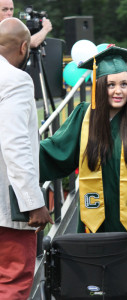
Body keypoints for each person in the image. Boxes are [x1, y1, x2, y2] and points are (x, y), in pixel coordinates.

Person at [39, 46, 127, 300]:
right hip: (94, 222)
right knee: (96, 286)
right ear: (100, 86)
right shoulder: (82, 118)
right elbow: (54, 152)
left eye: (124, 84)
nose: (118, 91)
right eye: (111, 85)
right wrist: (20, 160)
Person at [0, 17, 53, 300]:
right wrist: (33, 203)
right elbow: (16, 144)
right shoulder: (15, 80)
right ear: (24, 47)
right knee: (13, 282)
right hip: (5, 213)